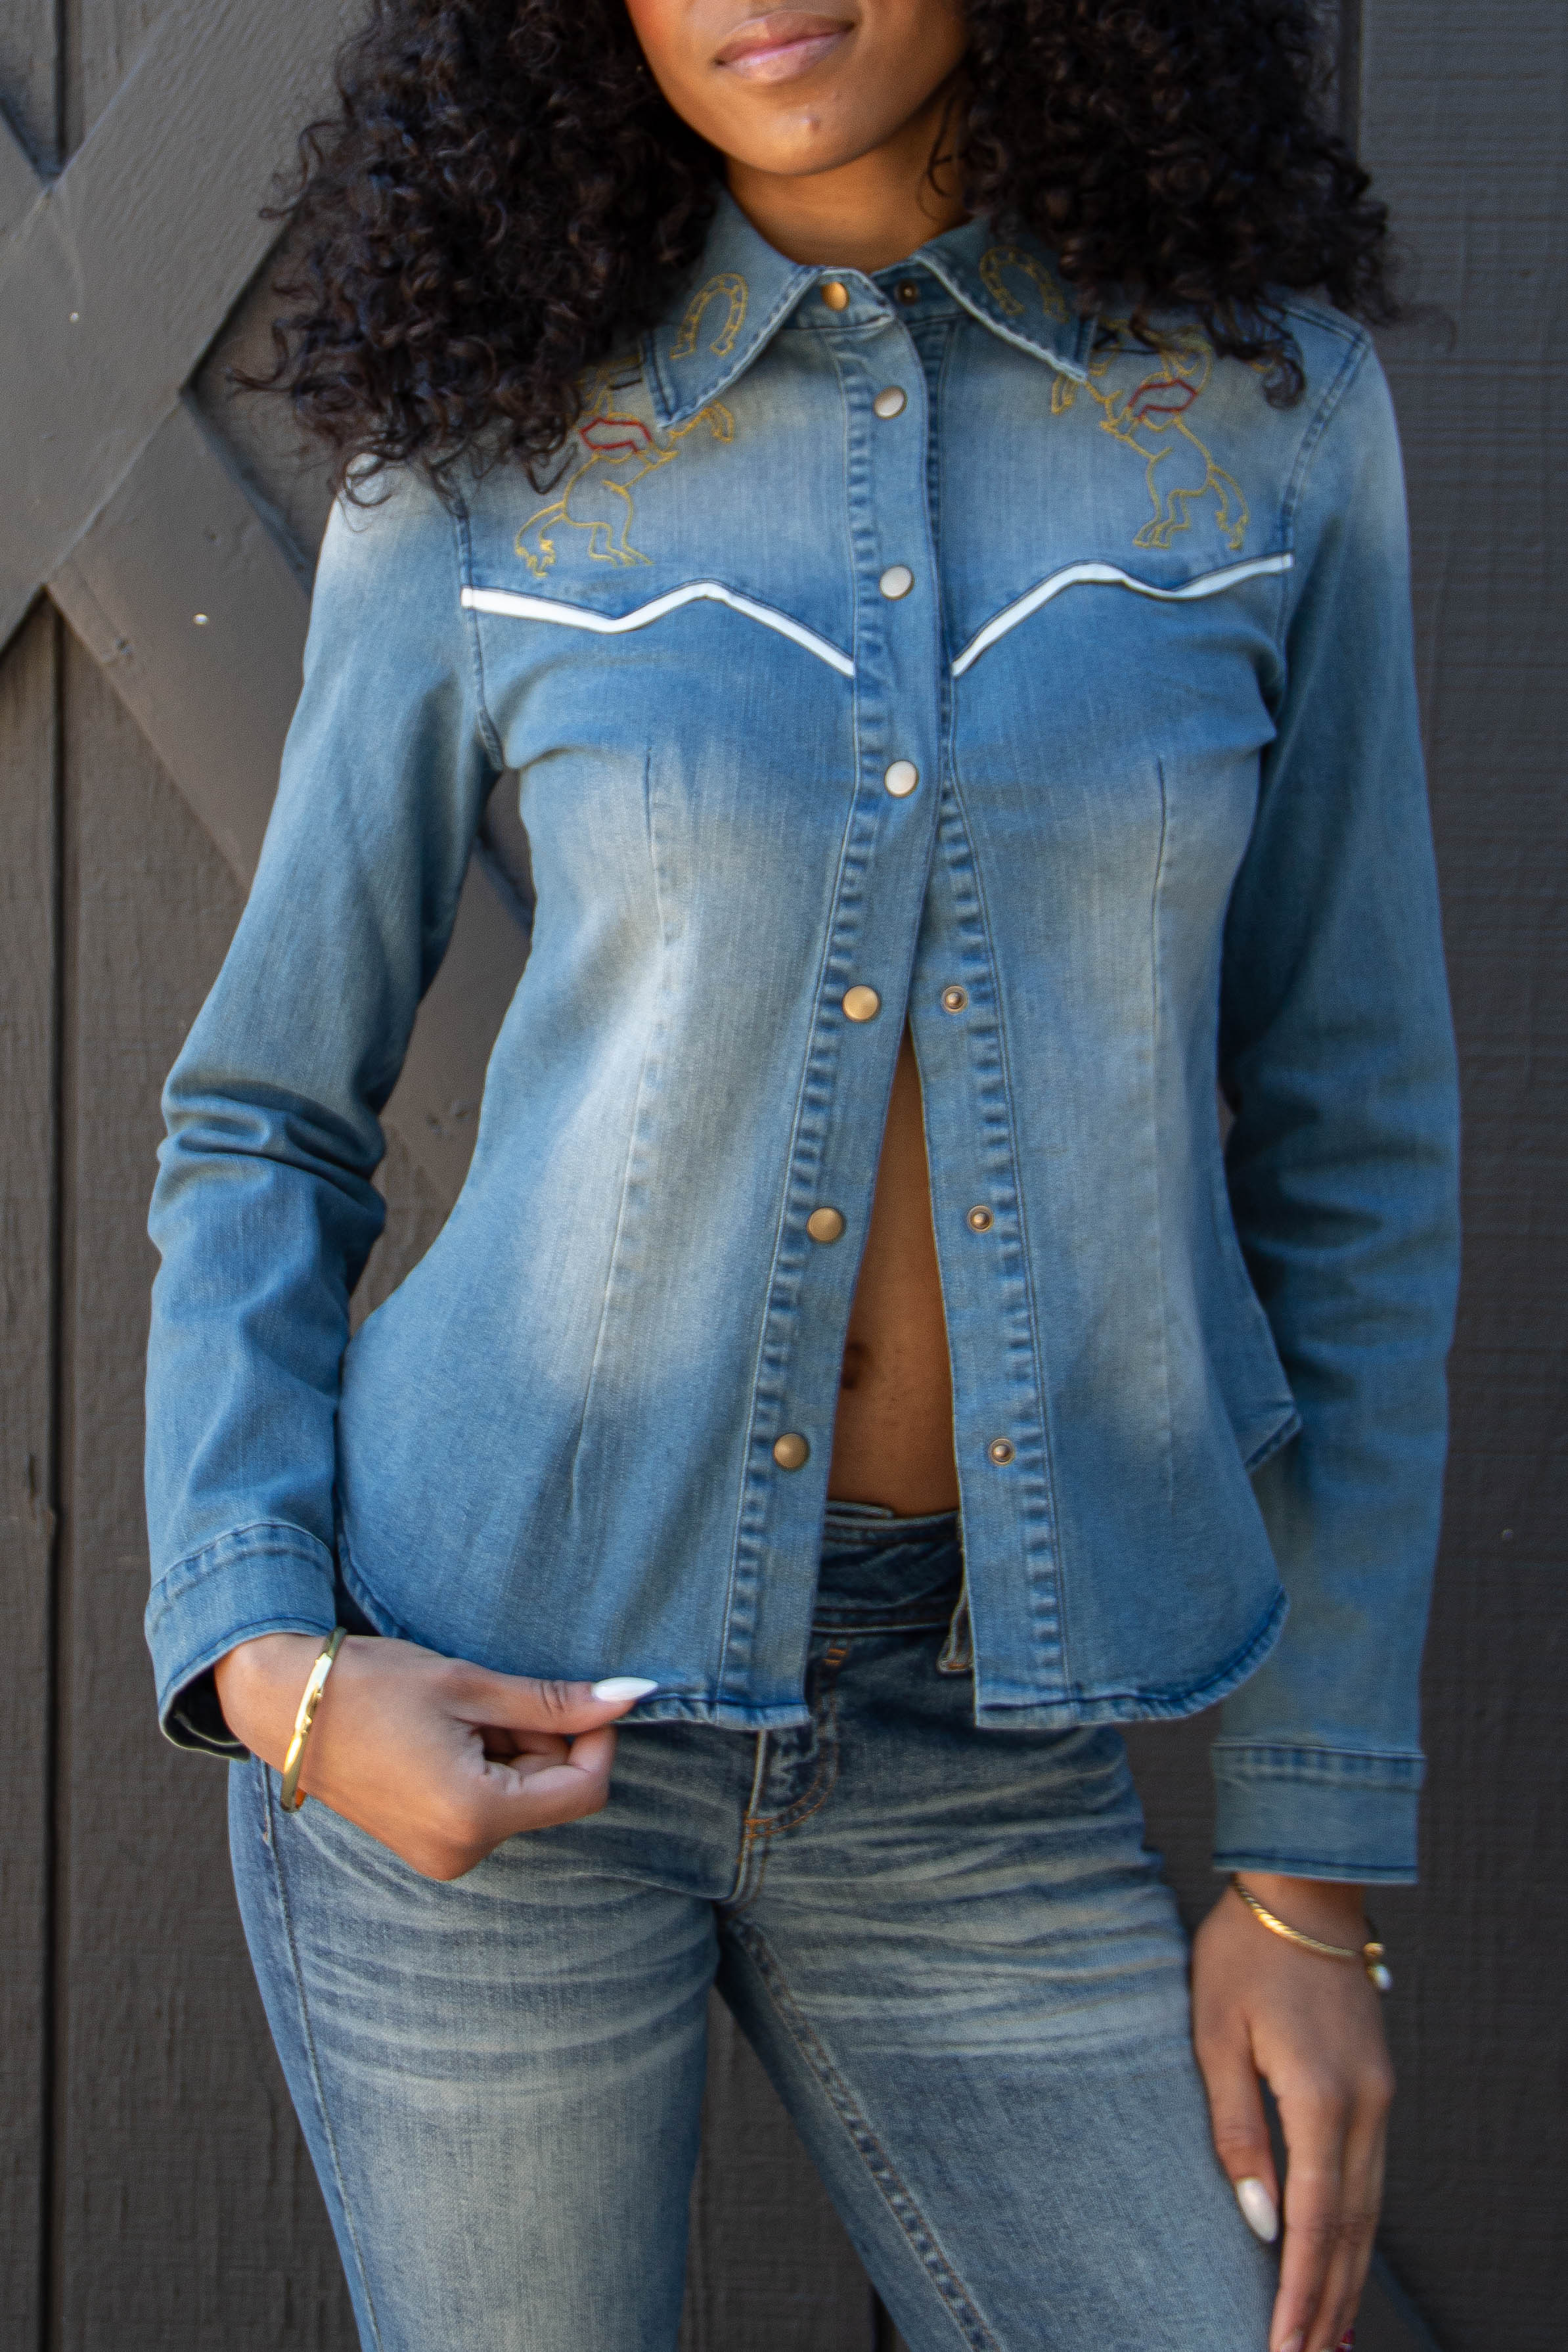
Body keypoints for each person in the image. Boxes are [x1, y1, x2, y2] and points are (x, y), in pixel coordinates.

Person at [143, 1, 1459, 2347]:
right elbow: (264, 1112)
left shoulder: (1263, 418)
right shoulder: (489, 446)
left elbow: (1354, 1145)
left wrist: (1305, 1866)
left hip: (985, 1749)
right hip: (479, 1689)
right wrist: (275, 1665)